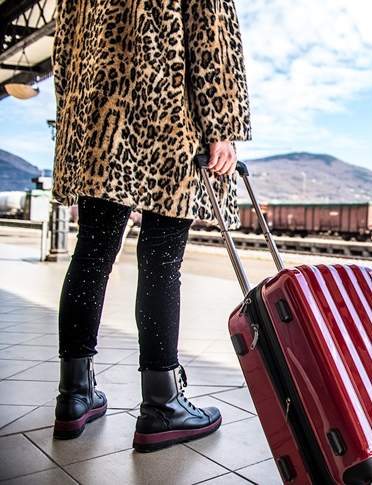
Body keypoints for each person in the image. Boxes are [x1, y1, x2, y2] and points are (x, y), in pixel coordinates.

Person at [50, 1, 251, 452]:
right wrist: (221, 123)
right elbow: (212, 33)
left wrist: (74, 125)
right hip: (167, 117)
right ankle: (162, 404)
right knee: (161, 261)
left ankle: (74, 395)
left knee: (93, 252)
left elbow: (63, 52)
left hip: (98, 114)